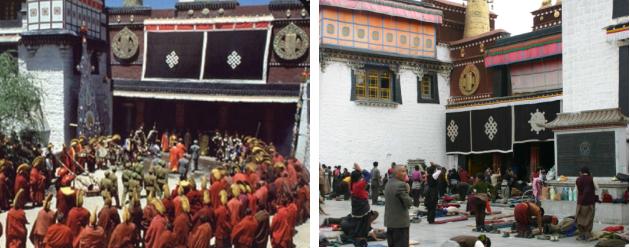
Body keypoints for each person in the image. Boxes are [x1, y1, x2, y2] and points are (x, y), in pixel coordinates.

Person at [384, 164, 413, 247]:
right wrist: (408, 190)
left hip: (390, 223)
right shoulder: (401, 185)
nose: (405, 173)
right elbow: (408, 203)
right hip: (400, 224)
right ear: (396, 173)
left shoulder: (388, 183)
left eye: (405, 171)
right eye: (403, 171)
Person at [349, 163, 371, 246]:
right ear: (358, 177)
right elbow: (369, 175)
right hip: (363, 208)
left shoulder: (353, 185)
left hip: (357, 208)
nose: (362, 178)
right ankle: (361, 241)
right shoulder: (359, 185)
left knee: (359, 226)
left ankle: (358, 239)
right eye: (361, 177)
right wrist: (360, 169)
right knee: (364, 226)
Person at [575, 166, 597, 241]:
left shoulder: (578, 180)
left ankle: (581, 234)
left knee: (580, 218)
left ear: (581, 172)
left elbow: (577, 190)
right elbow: (597, 187)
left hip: (580, 203)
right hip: (590, 202)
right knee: (589, 218)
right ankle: (587, 234)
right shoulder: (592, 179)